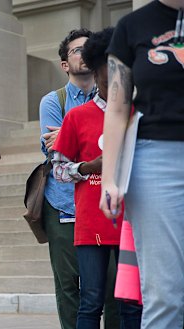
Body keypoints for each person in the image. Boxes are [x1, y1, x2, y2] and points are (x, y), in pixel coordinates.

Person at [99, 1, 184, 328]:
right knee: (164, 293)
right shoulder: (131, 27)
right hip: (155, 161)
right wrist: (109, 180)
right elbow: (117, 109)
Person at [51, 27, 142, 329]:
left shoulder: (139, 114)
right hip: (91, 223)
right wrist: (89, 167)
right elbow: (58, 170)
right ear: (96, 68)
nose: (115, 76)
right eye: (108, 68)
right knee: (90, 301)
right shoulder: (76, 116)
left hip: (133, 221)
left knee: (131, 304)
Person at [38, 28, 97, 329]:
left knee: (112, 289)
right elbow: (54, 151)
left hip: (103, 205)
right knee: (69, 286)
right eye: (77, 50)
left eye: (90, 48)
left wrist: (70, 134)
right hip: (62, 204)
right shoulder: (53, 101)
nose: (84, 53)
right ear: (64, 64)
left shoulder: (111, 98)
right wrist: (95, 136)